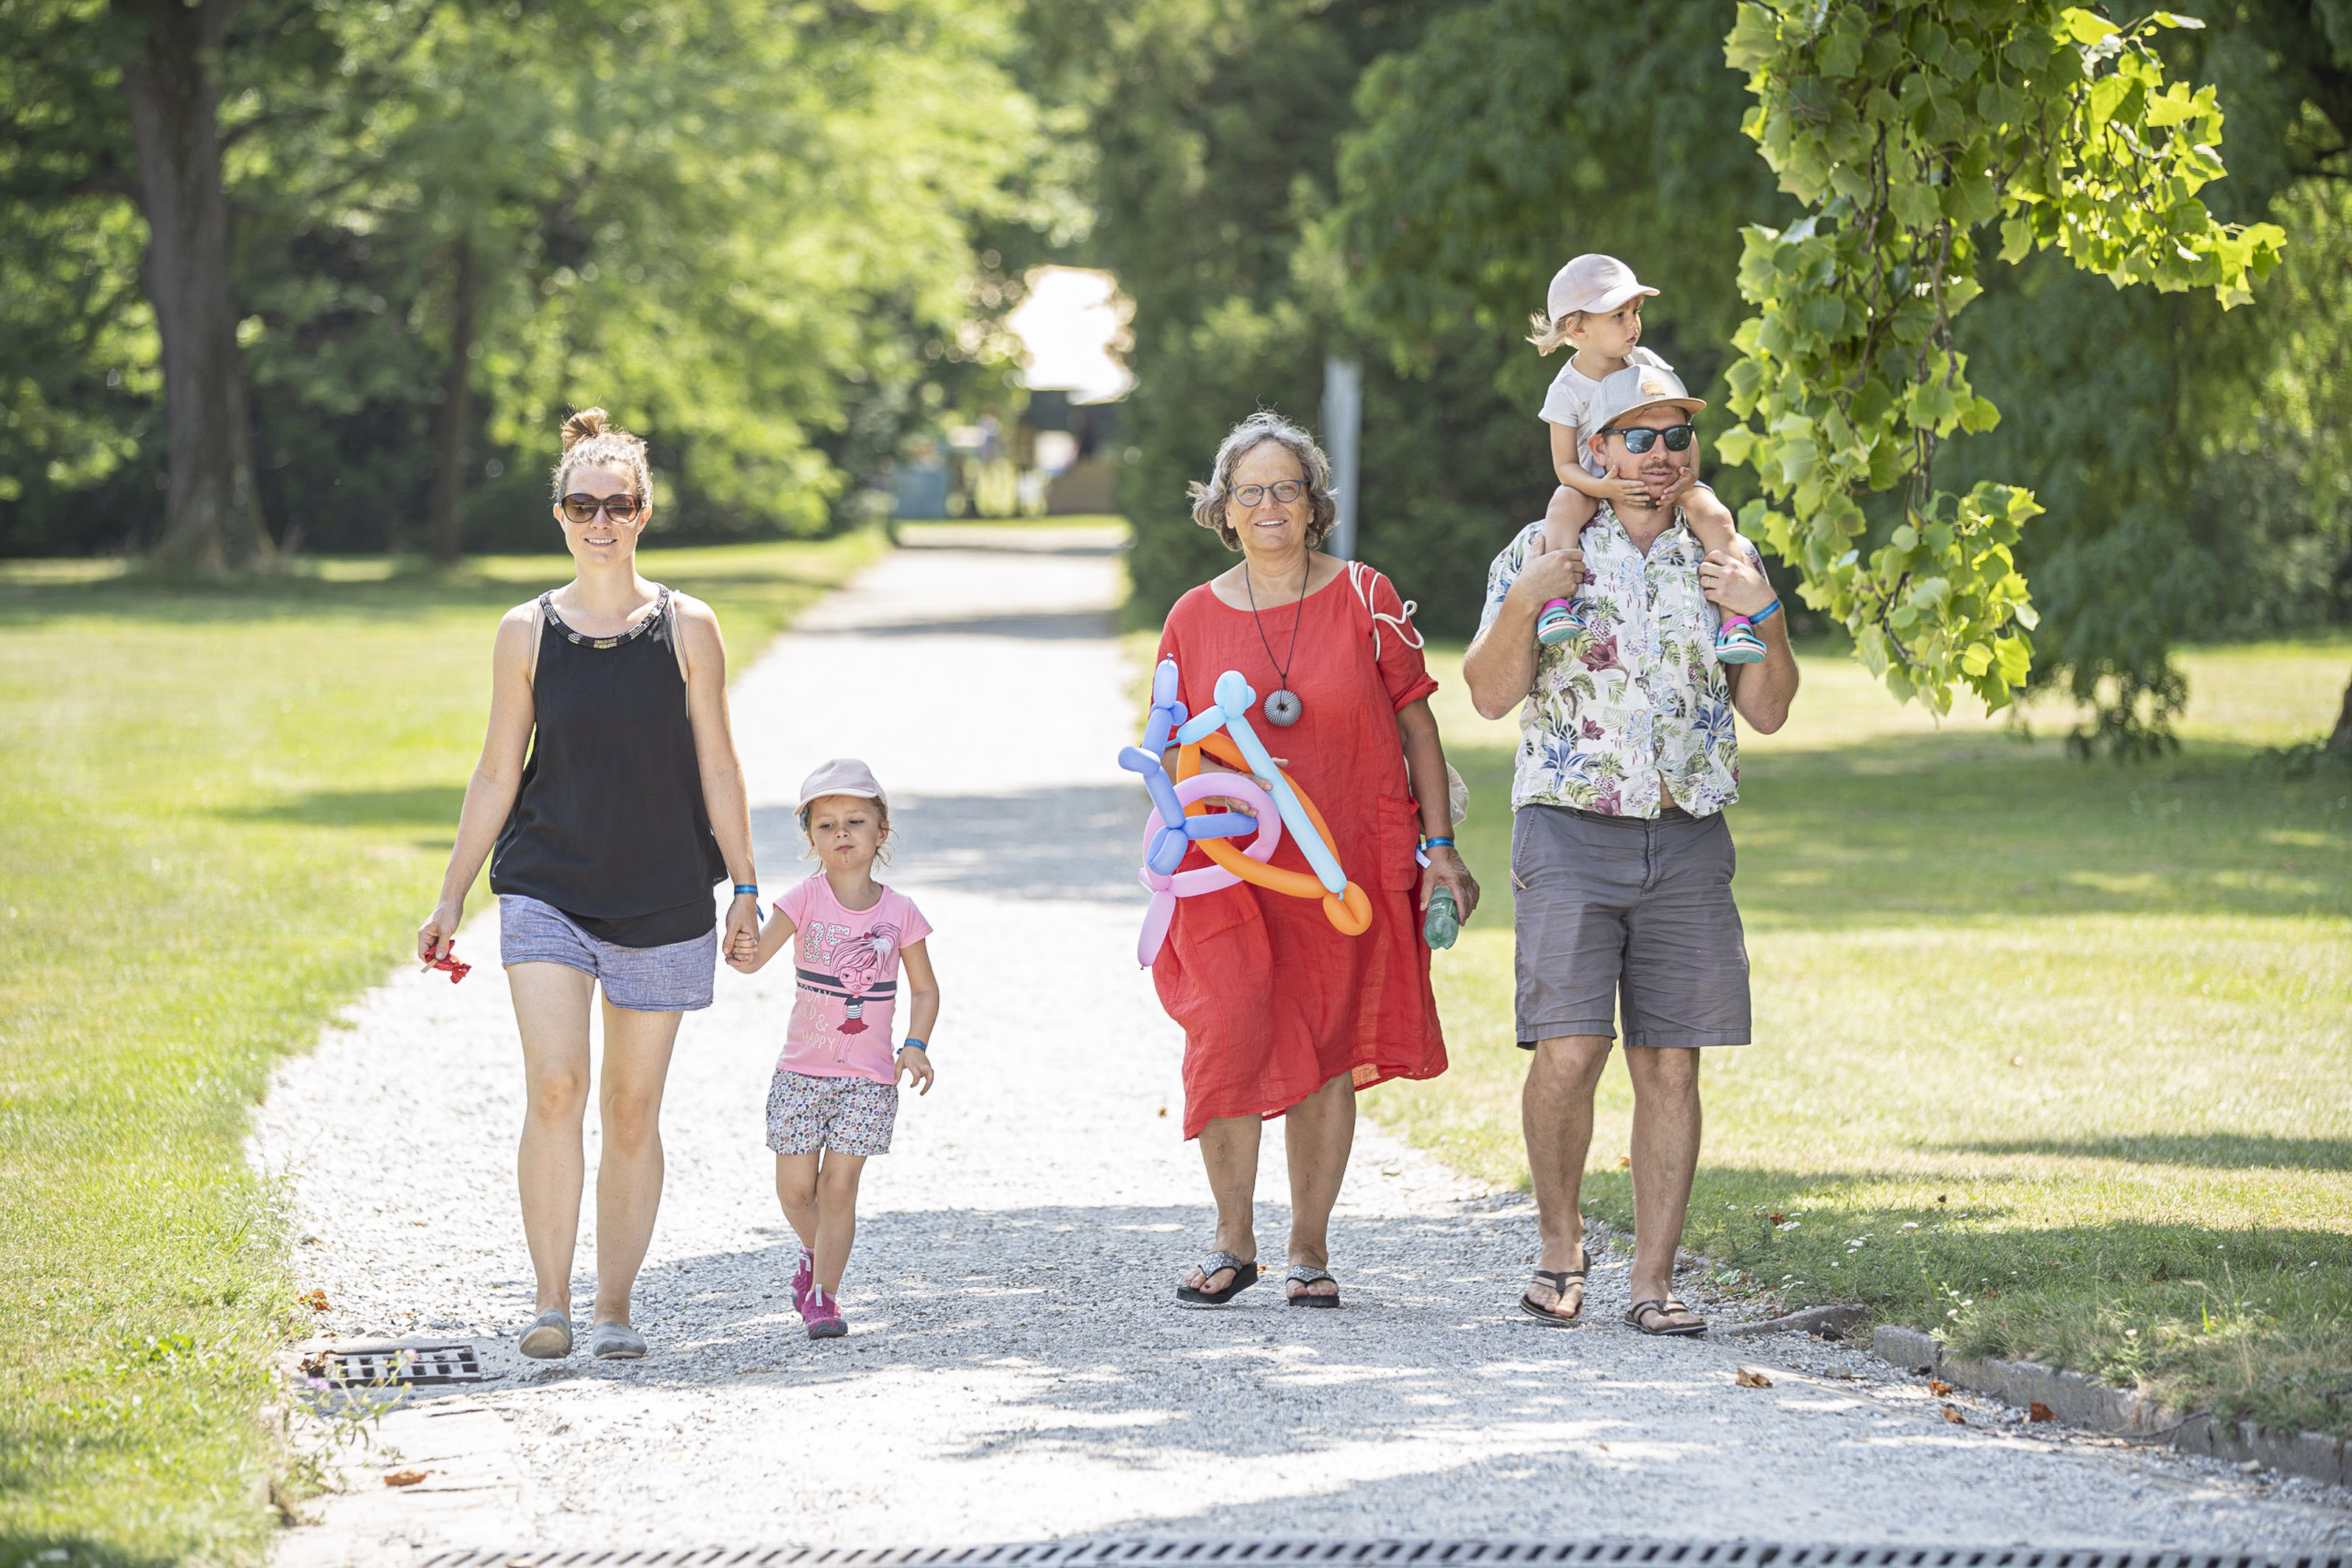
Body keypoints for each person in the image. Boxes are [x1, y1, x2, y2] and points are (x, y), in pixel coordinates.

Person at [415, 408, 762, 1362]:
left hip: (662, 890)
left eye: (619, 504)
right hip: (545, 883)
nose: (601, 519)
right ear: (559, 512)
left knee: (632, 1108)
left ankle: (614, 1305)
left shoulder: (688, 626)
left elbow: (719, 765)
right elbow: (496, 771)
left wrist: (744, 885)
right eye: (583, 503)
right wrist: (452, 894)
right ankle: (547, 1300)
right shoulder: (524, 630)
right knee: (559, 1083)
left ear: (644, 512)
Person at [1460, 363, 1798, 1336]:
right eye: (1638, 437)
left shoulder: (1723, 554)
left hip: (1688, 829)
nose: (1662, 456)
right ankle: (1560, 1249)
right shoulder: (1542, 546)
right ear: (1596, 449)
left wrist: (1760, 604)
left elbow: (1769, 708)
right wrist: (1527, 597)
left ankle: (1654, 1281)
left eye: (1678, 438)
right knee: (1568, 1049)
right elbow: (1486, 693)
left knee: (1670, 1063)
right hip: (1569, 822)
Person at [1154, 410, 1479, 1308]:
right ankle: (1232, 1239)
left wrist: (1440, 846)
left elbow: (1417, 720)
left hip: (1346, 864)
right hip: (1233, 869)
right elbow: (1169, 745)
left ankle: (1308, 1246)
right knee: (1226, 1027)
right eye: (1250, 491)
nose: (1269, 505)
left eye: (1286, 489)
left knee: (1329, 1045)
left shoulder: (1367, 597)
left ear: (1313, 504)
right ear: (1222, 509)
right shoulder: (1190, 616)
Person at [726, 760, 939, 1340]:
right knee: (796, 1192)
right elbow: (754, 960)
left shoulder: (900, 914)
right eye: (825, 825)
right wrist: (738, 938)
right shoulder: (804, 899)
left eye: (855, 821)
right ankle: (809, 1253)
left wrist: (914, 1044)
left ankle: (825, 1297)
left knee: (838, 1188)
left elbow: (924, 988)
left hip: (869, 1077)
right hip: (800, 1073)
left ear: (881, 831)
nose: (841, 834)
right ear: (811, 838)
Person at [1527, 254, 1760, 664]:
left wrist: (1689, 478)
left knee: (1716, 516)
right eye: (1618, 315)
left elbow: (1682, 429)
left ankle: (1734, 621)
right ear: (1576, 327)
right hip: (1595, 484)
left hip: (1660, 477)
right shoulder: (1565, 390)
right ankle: (1553, 605)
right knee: (1562, 506)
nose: (1634, 323)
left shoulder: (1647, 364)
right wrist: (1603, 487)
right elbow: (1564, 466)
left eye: (1636, 311)